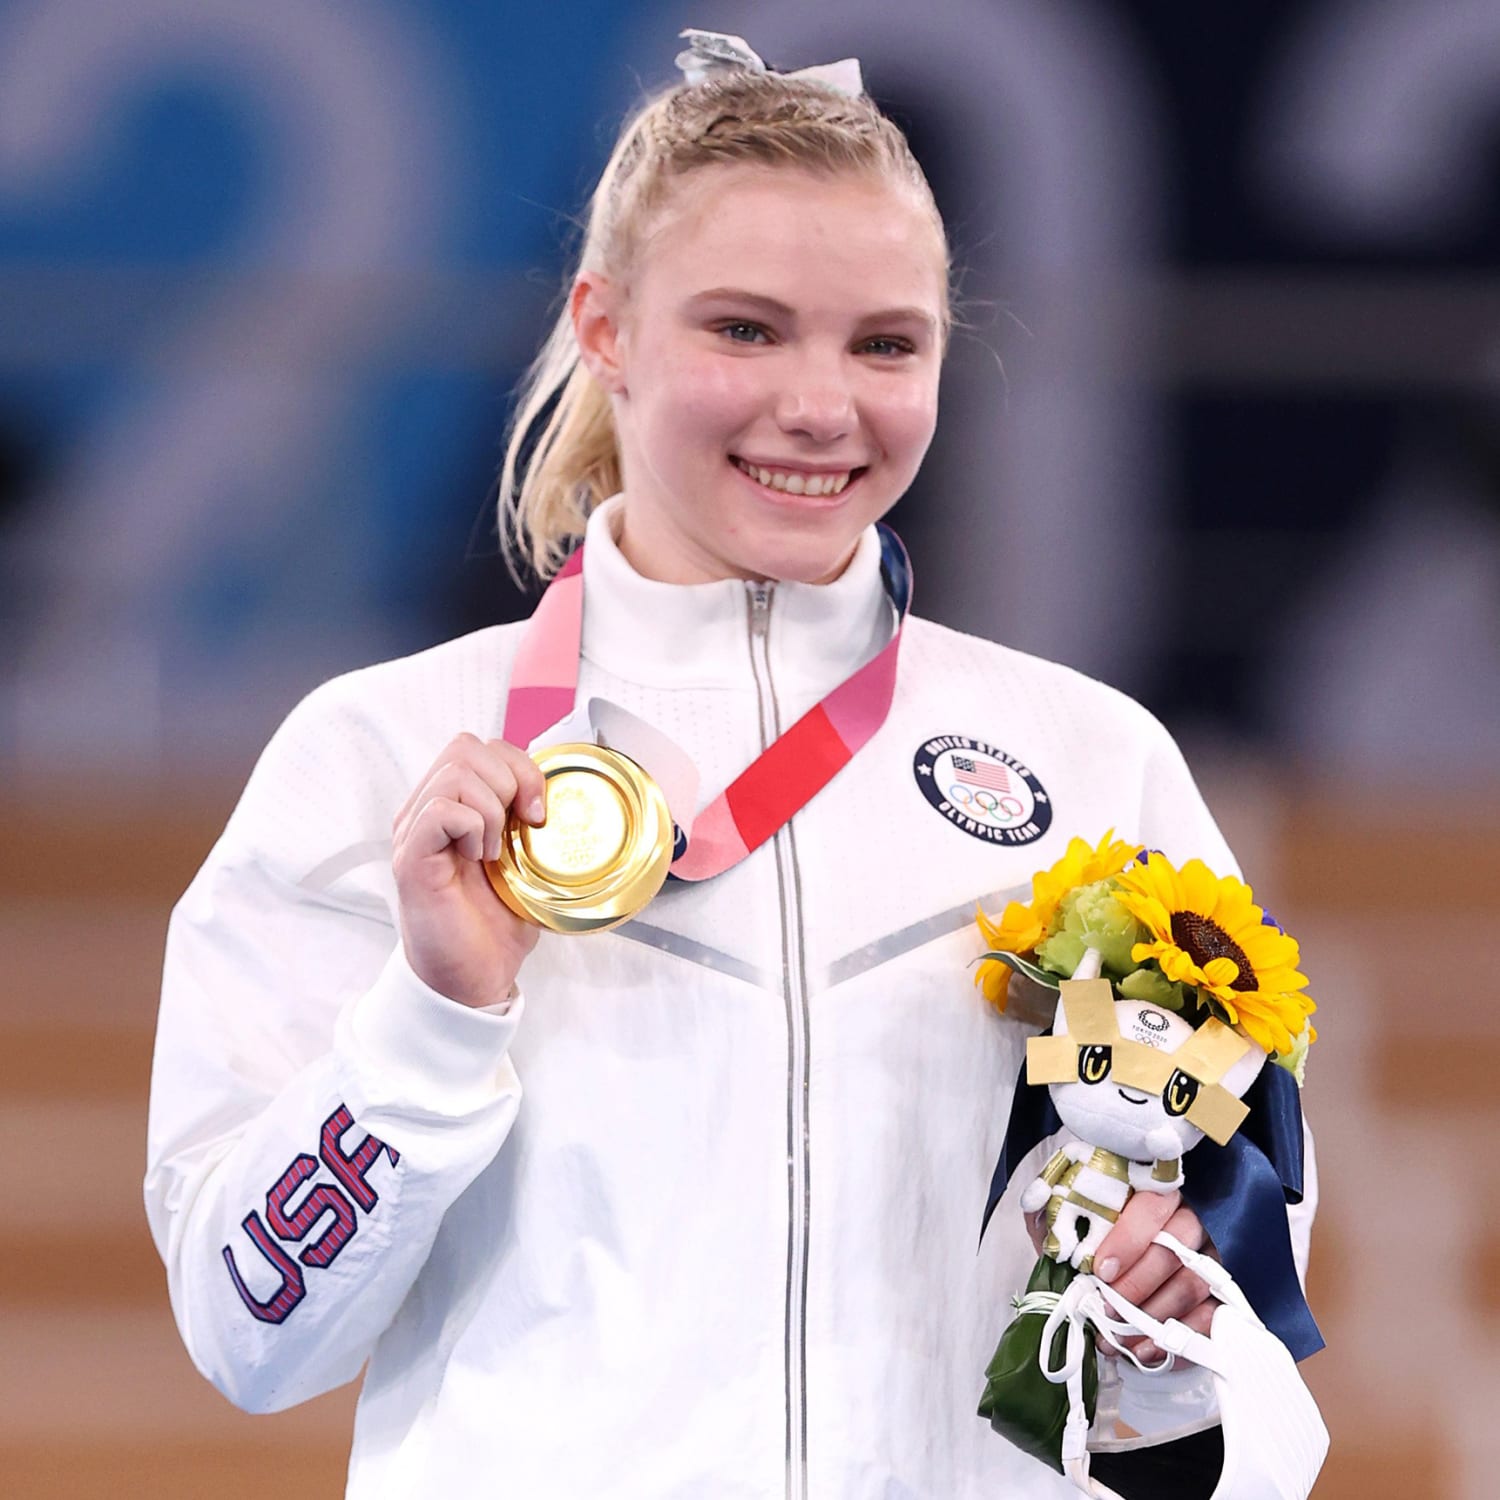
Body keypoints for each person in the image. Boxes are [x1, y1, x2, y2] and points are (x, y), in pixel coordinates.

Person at [145, 32, 1313, 1499]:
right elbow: (248, 1332)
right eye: (745, 330)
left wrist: (1158, 1340)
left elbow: (1245, 1320)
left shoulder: (1091, 763)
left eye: (885, 343)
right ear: (605, 329)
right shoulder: (375, 758)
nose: (821, 405)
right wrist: (436, 1022)